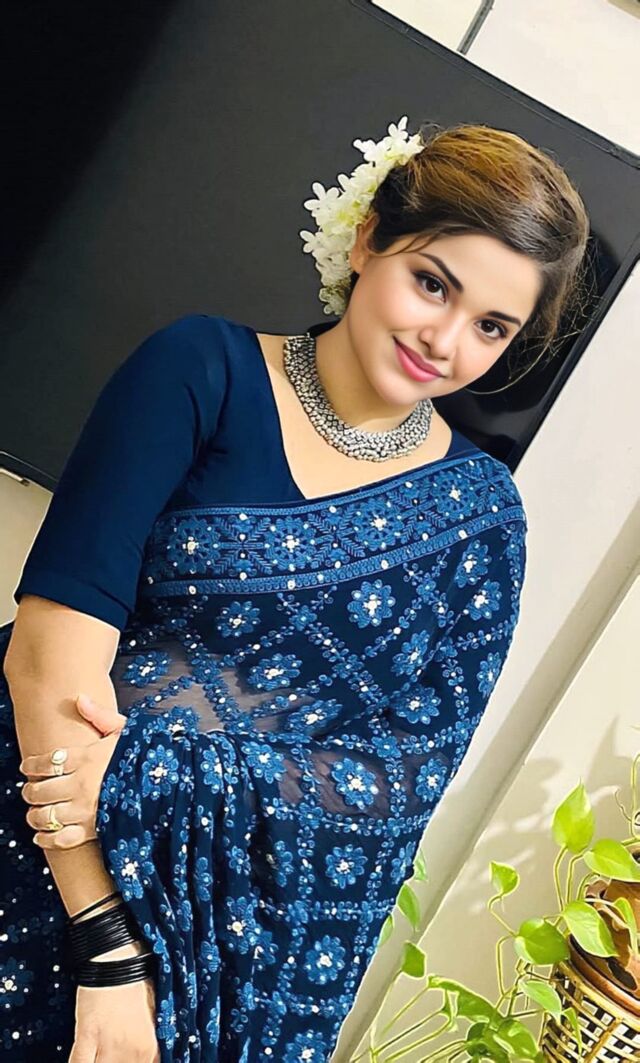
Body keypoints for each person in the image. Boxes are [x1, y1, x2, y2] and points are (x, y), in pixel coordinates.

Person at [0, 119, 590, 1062]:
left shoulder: (479, 522)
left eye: (491, 326)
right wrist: (107, 949)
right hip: (37, 854)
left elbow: (395, 789)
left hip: (226, 954)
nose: (444, 340)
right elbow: (48, 657)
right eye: (432, 283)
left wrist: (155, 775)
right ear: (367, 241)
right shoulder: (200, 370)